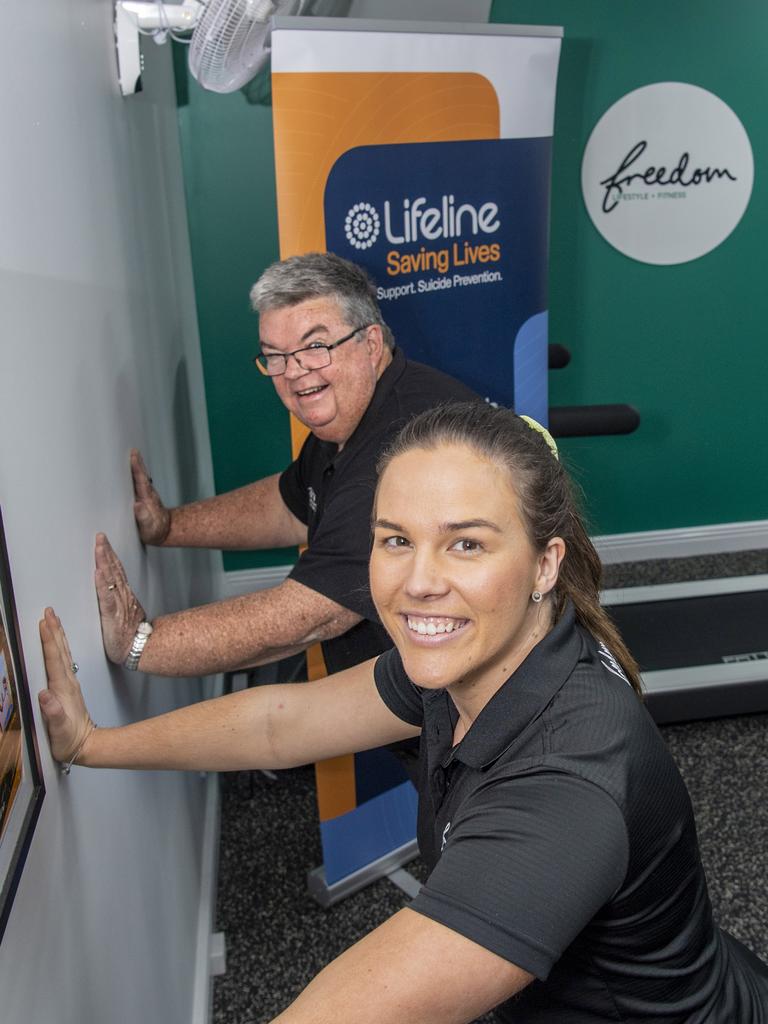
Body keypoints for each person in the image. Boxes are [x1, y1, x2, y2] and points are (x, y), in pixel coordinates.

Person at [39, 403, 768, 1023]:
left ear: (546, 564)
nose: (419, 582)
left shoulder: (565, 788)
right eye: (395, 540)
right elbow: (281, 723)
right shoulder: (468, 657)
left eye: (466, 544)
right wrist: (93, 744)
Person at [95, 252, 478, 679]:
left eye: (316, 346)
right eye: (274, 355)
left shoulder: (402, 450)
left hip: (467, 713)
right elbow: (289, 504)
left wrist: (139, 642)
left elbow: (309, 615)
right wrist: (168, 526)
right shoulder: (354, 413)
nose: (294, 371)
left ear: (370, 345)